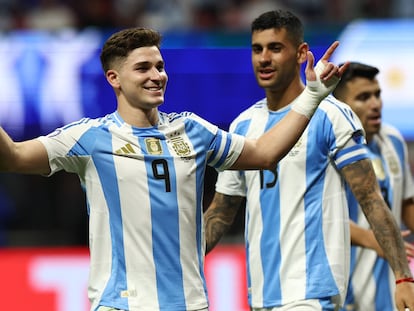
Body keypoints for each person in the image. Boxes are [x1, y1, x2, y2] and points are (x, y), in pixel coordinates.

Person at [0, 27, 344, 311]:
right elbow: (12, 156)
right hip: (121, 305)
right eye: (143, 68)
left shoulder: (192, 130)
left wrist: (312, 96)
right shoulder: (89, 138)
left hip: (189, 304)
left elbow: (265, 153)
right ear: (113, 78)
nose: (156, 76)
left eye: (159, 66)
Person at [203, 10, 414, 311]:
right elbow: (221, 212)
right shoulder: (242, 126)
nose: (264, 58)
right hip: (261, 294)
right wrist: (184, 260)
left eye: (275, 48)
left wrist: (403, 277)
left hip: (314, 293)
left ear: (301, 53)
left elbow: (371, 199)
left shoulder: (331, 116)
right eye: (257, 49)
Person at [332, 62, 414, 311]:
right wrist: (372, 238)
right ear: (342, 107)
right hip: (344, 296)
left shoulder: (393, 141)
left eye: (377, 94)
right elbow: (319, 218)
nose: (375, 103)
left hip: (393, 291)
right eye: (363, 97)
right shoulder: (327, 148)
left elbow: (406, 203)